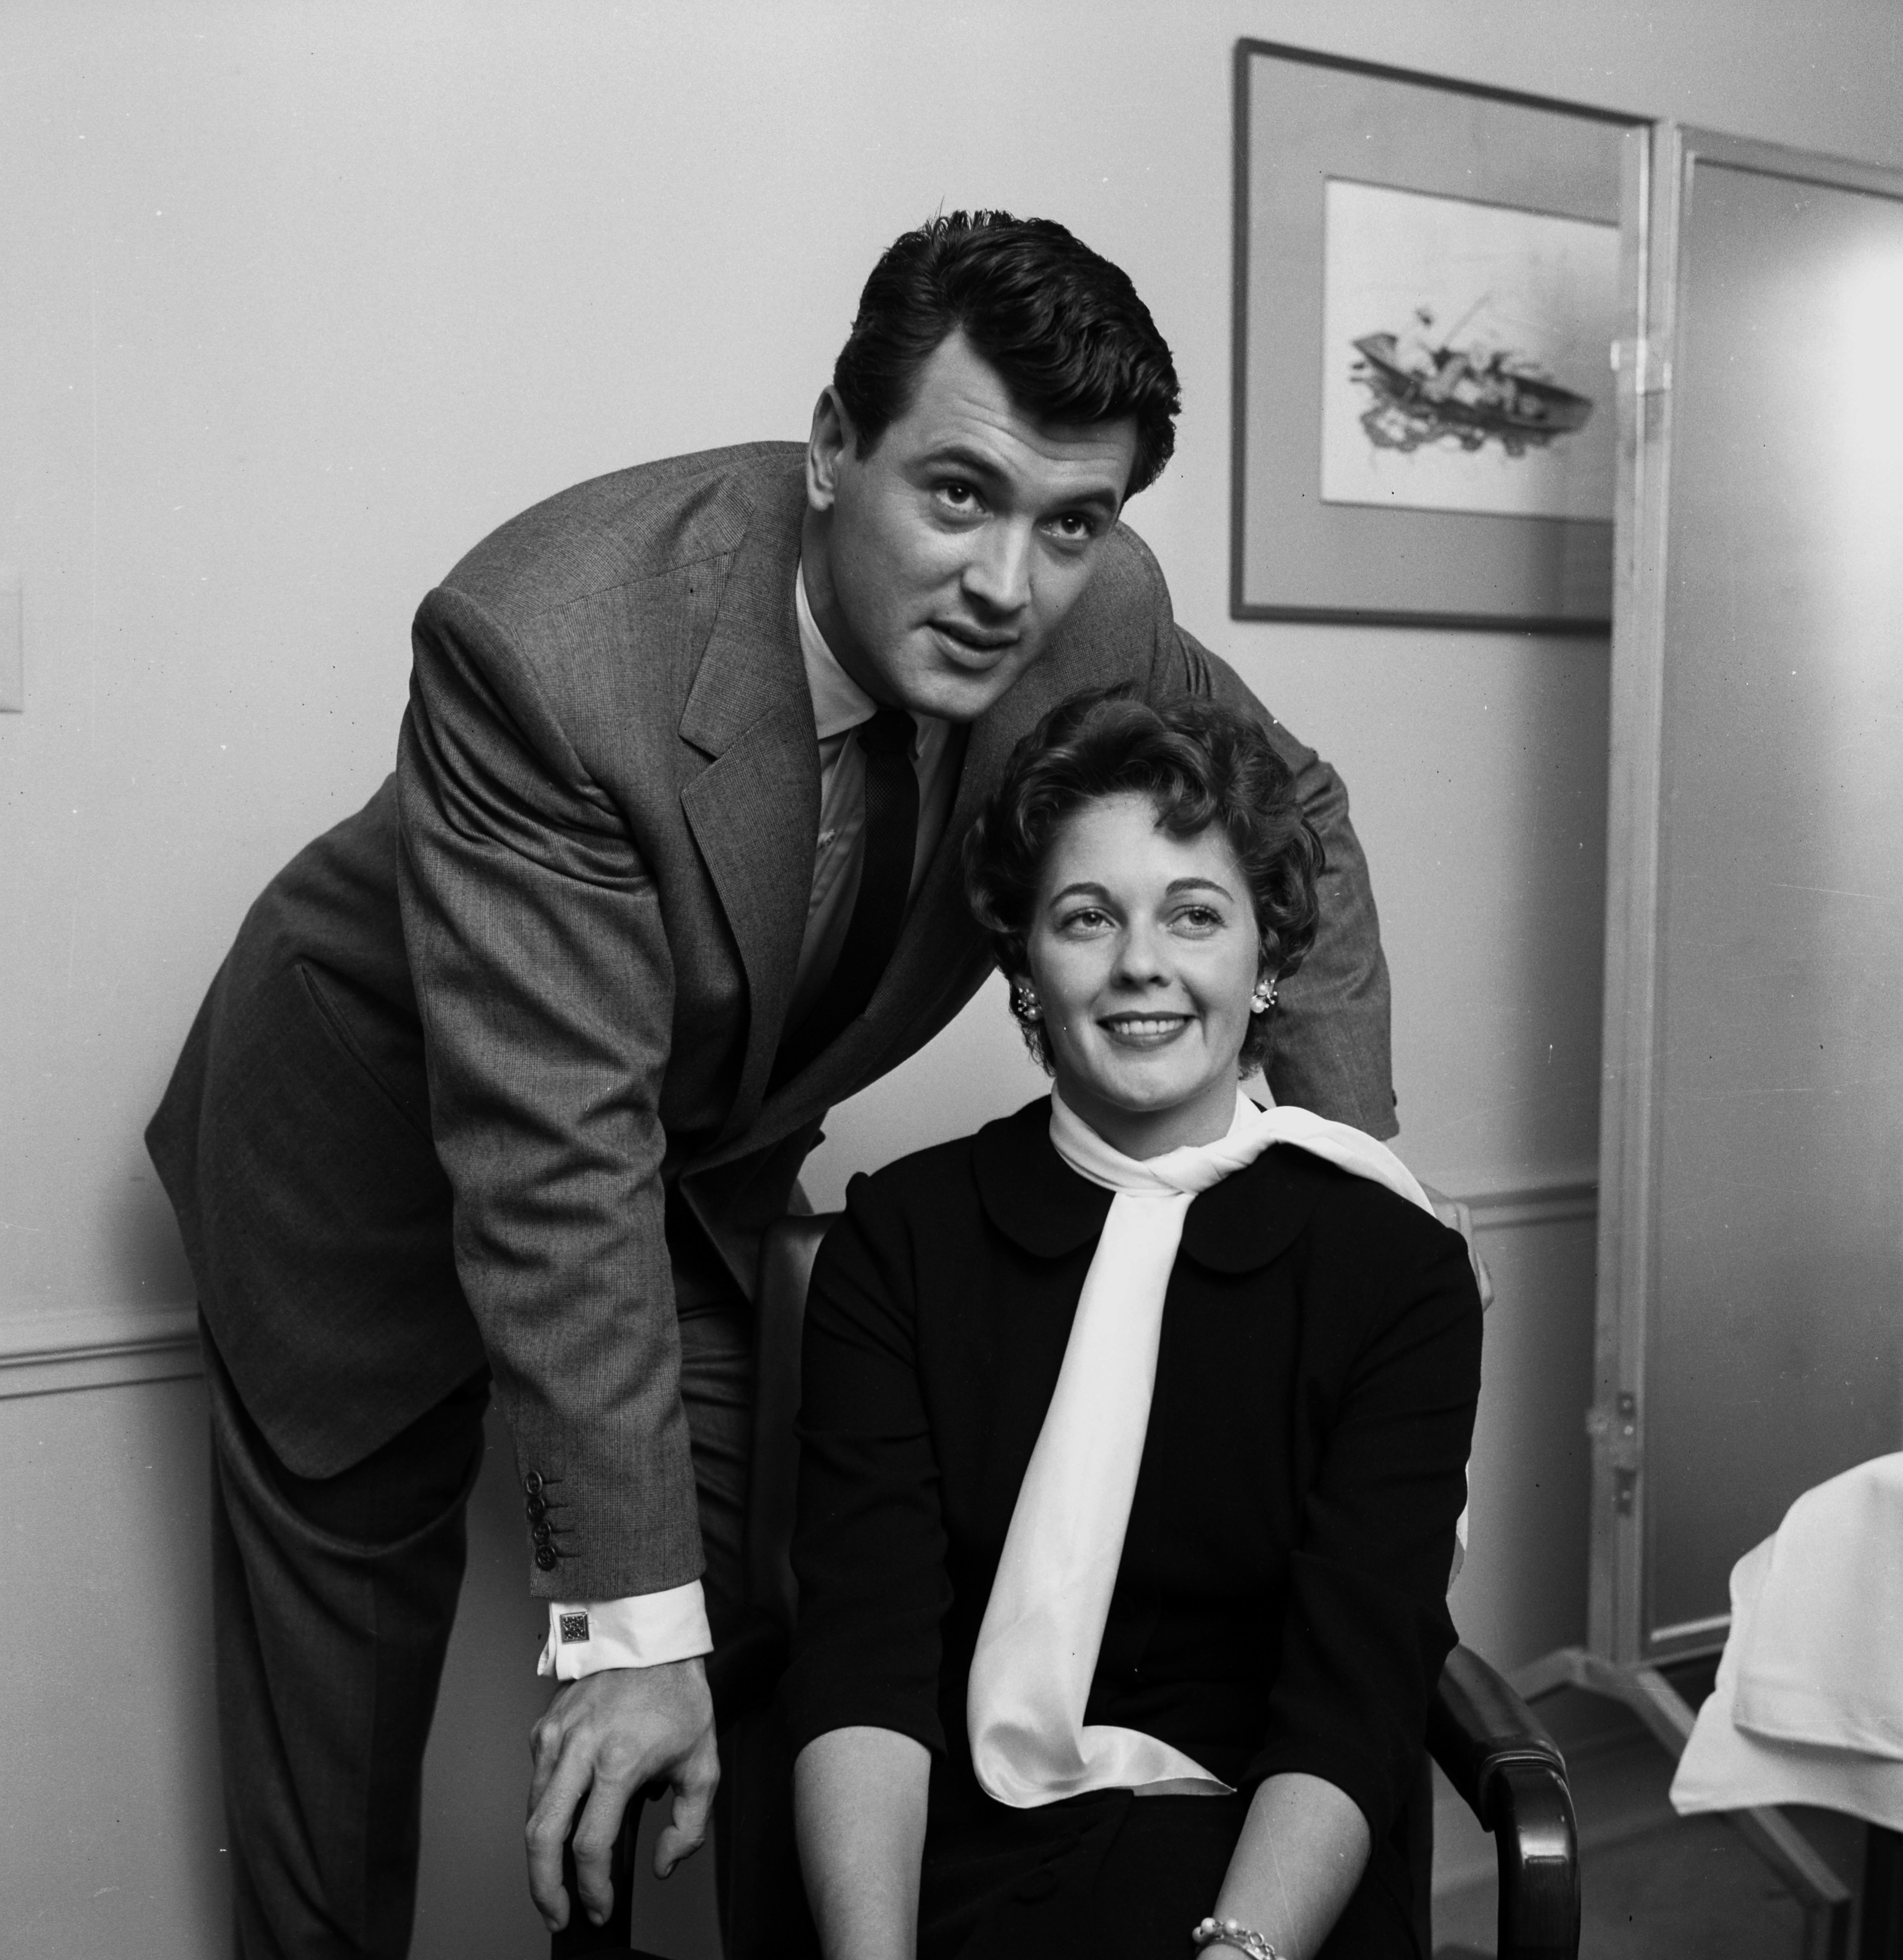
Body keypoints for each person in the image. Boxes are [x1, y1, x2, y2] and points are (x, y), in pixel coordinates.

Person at [146, 212, 1395, 1957]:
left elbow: (1297, 825)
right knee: (350, 1711)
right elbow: (551, 1146)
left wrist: (1341, 1206)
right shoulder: (552, 644)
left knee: (794, 1601)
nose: (1007, 584)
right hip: (362, 1150)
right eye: (957, 495)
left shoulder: (1091, 615)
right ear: (831, 449)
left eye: (1071, 521)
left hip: (676, 1161)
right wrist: (626, 1629)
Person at [786, 690, 1478, 1960]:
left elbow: (1353, 1690)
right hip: (946, 1856)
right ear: (1025, 973)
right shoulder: (903, 1242)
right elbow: (863, 1662)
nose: (1142, 965)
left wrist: (1242, 1952)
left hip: (1263, 1869)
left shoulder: (1393, 1269)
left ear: (1268, 962)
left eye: (1196, 916)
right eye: (1087, 918)